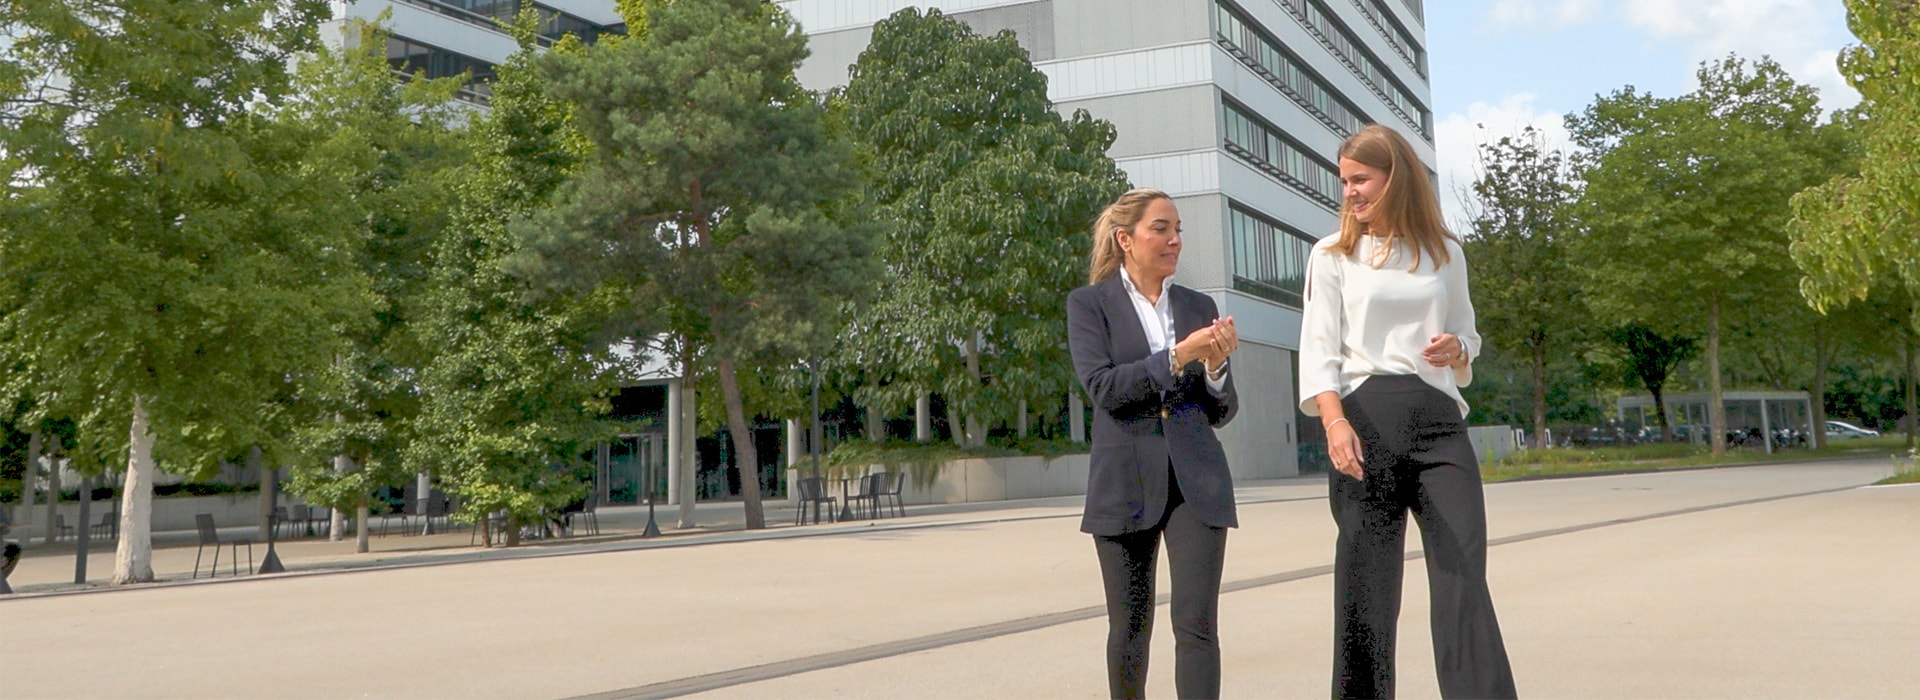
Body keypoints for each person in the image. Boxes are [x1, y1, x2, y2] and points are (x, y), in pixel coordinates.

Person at [1297, 124, 1517, 699]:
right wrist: (1334, 421)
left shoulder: (1446, 253)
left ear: (1396, 177)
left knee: (1463, 576)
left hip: (1440, 425)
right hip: (1363, 422)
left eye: (1360, 179)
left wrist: (1458, 349)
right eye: (1344, 181)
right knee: (1366, 587)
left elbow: (1468, 335)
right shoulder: (1333, 255)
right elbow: (1319, 350)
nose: (1349, 191)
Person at [1067, 188, 1241, 699]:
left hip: (1197, 482)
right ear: (1126, 239)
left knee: (1197, 627)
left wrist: (1214, 366)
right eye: (1161, 229)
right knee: (1129, 630)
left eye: (1178, 229)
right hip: (1124, 481)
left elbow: (1223, 409)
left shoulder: (1198, 305)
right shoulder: (1089, 305)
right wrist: (1176, 356)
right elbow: (1104, 388)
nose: (1175, 240)